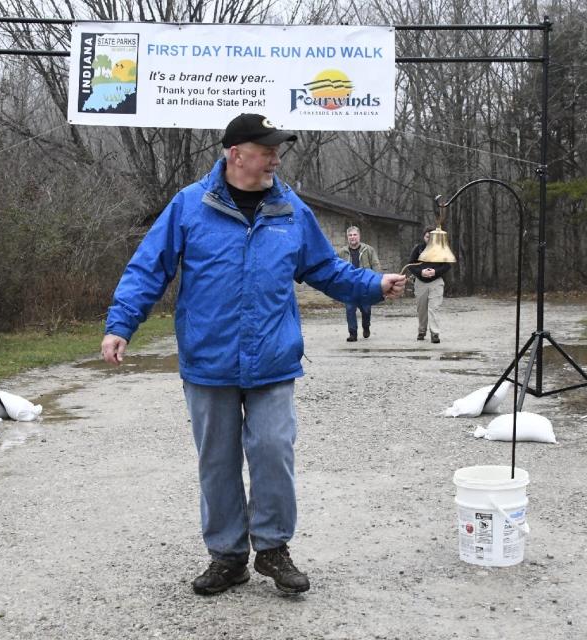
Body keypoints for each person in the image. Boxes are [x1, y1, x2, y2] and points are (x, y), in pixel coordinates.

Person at [100, 113, 407, 596]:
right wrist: (121, 325)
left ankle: (272, 549)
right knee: (217, 461)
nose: (276, 158)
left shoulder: (290, 209)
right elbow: (147, 269)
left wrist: (373, 284)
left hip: (272, 359)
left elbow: (325, 269)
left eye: (277, 150)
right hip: (209, 360)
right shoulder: (189, 206)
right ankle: (227, 557)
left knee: (272, 451)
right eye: (267, 150)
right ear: (235, 153)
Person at [406, 226, 452, 343]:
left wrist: (435, 272)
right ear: (424, 237)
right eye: (427, 236)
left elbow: (447, 265)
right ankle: (422, 330)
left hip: (436, 282)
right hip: (420, 282)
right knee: (421, 309)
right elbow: (410, 265)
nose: (429, 239)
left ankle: (435, 333)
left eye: (432, 237)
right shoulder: (418, 249)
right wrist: (421, 272)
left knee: (434, 308)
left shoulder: (442, 249)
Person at [336, 226, 382, 341]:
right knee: (350, 309)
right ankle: (353, 333)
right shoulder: (342, 252)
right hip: (349, 286)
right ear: (347, 238)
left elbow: (376, 265)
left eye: (354, 235)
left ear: (359, 236)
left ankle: (366, 327)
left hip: (365, 285)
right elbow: (337, 267)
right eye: (350, 235)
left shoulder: (368, 250)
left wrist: (377, 280)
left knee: (366, 309)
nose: (352, 237)